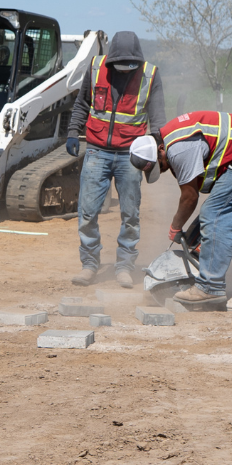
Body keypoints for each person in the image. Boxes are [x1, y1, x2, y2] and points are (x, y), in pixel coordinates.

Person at [128, 109, 232, 312]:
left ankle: (209, 287)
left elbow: (190, 197)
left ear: (161, 149)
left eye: (160, 165)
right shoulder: (174, 137)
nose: (162, 170)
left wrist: (176, 226)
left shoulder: (178, 149)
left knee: (213, 214)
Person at [65, 31, 164, 288]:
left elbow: (158, 118)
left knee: (130, 213)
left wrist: (157, 149)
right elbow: (81, 104)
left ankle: (124, 267)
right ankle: (89, 264)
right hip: (97, 150)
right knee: (87, 212)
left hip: (130, 154)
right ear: (111, 60)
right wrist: (73, 132)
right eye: (120, 66)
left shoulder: (150, 75)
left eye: (130, 66)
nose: (124, 71)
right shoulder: (96, 67)